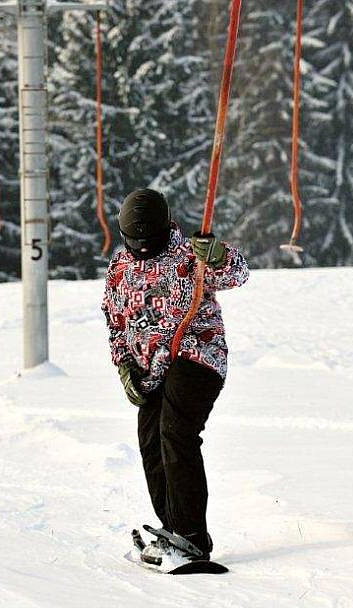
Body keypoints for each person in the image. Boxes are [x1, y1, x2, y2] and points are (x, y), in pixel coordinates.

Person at [101, 189, 249, 563]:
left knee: (175, 433)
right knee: (150, 440)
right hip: (150, 368)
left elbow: (238, 273)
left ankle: (192, 535)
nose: (143, 248)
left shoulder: (189, 255)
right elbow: (114, 318)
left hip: (197, 356)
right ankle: (172, 527)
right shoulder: (119, 267)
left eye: (150, 240)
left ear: (167, 227)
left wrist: (216, 255)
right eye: (136, 242)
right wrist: (124, 365)